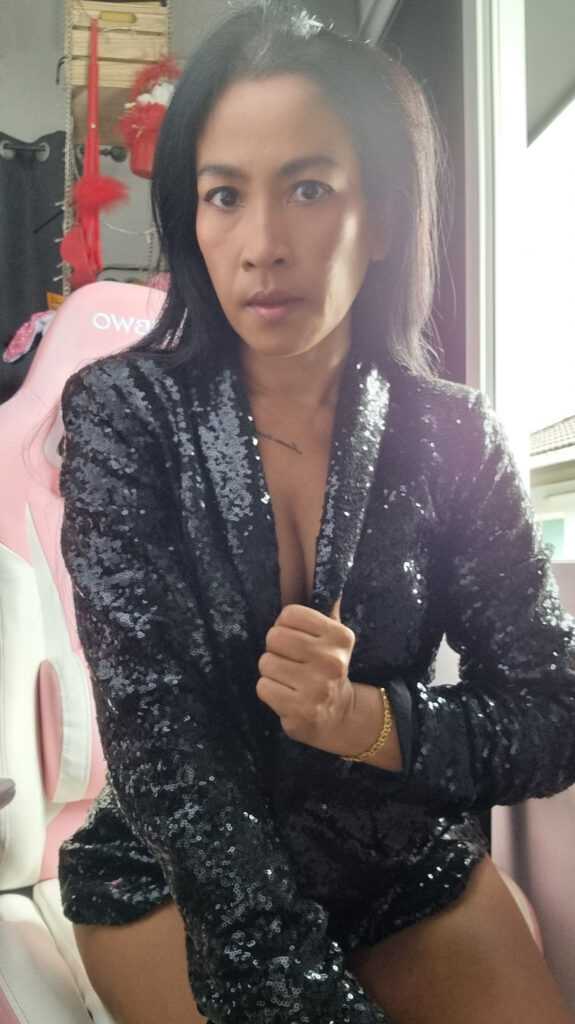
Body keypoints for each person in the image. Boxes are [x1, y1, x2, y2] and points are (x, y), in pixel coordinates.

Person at [58, 4, 575, 1023]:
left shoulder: (455, 436)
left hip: (393, 861)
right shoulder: (123, 413)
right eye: (223, 195)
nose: (261, 245)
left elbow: (549, 718)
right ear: (192, 219)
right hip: (176, 874)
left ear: (379, 215)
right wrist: (301, 989)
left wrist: (366, 720)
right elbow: (163, 741)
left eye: (306, 188)